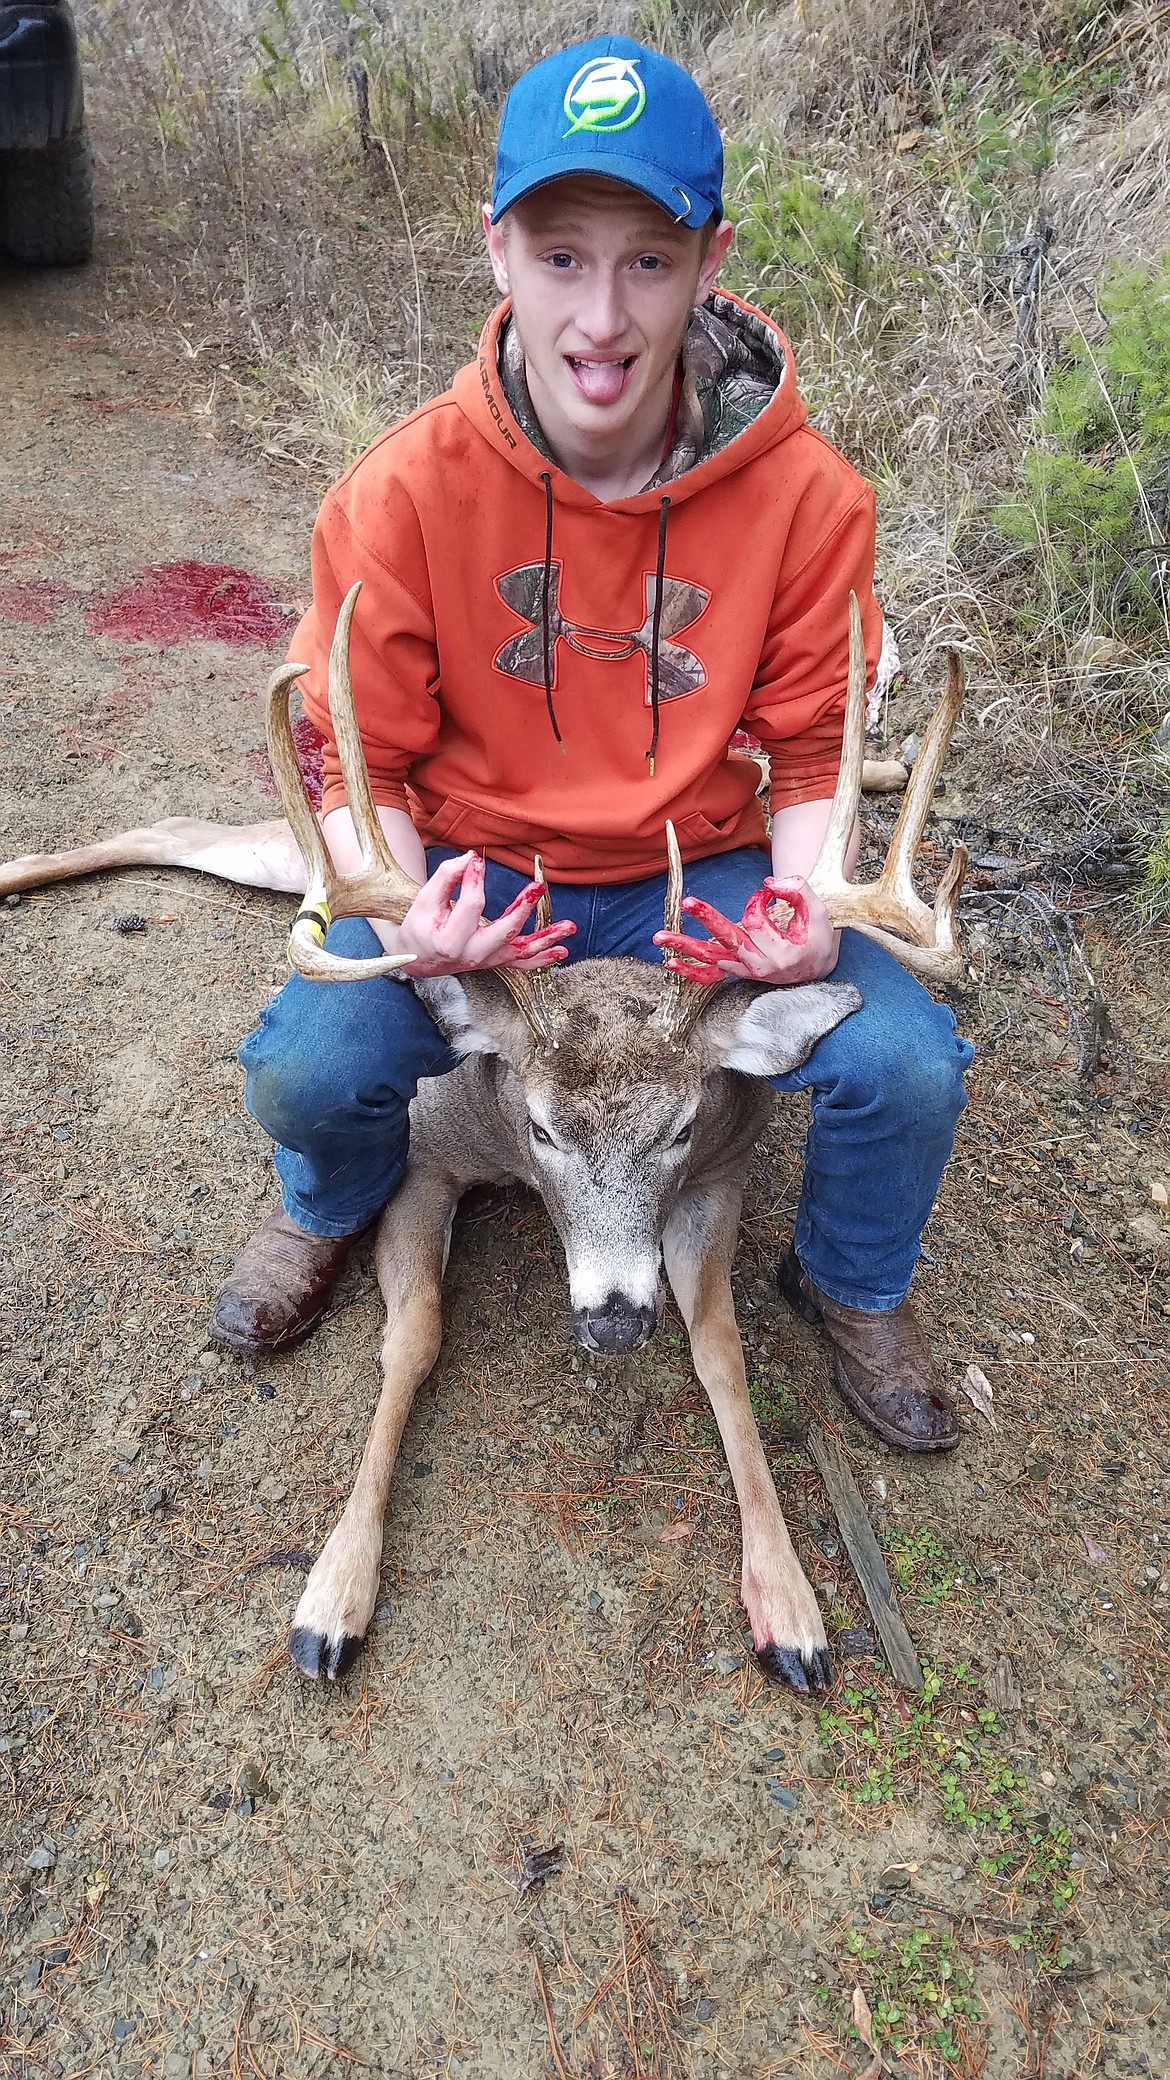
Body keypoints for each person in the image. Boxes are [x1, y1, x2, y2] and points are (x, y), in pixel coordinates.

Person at [211, 34, 974, 1451]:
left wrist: (807, 911)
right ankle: (327, 1204)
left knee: (903, 1066)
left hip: (706, 880)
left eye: (645, 261)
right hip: (482, 878)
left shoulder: (807, 500)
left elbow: (812, 749)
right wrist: (406, 891)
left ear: (710, 262)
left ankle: (851, 1282)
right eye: (560, 256)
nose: (602, 315)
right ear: (497, 253)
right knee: (315, 1064)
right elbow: (352, 755)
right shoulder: (398, 497)